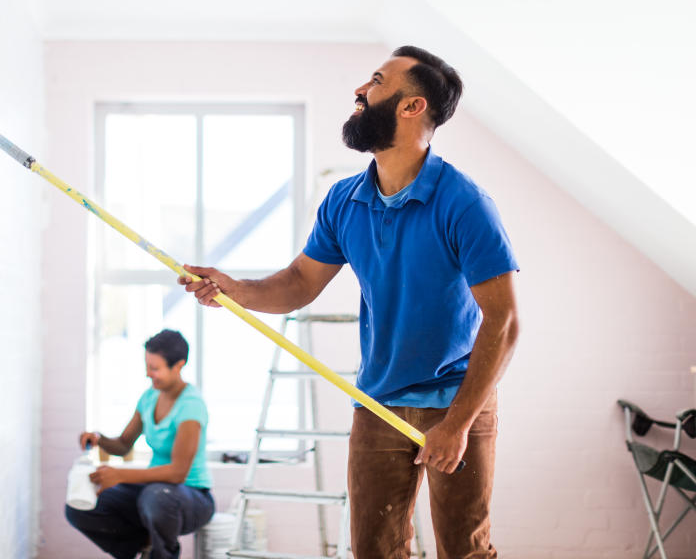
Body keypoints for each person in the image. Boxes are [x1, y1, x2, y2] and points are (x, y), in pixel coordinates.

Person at [179, 46, 520, 559]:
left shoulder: (464, 204)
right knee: (374, 551)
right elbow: (298, 282)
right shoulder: (344, 200)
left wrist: (458, 424)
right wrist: (235, 290)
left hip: (455, 400)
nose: (360, 90)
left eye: (377, 82)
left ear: (411, 107)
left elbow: (505, 321)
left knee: (464, 552)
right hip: (379, 399)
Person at [65, 329, 214, 559]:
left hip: (192, 497)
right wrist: (99, 439)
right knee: (82, 504)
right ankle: (143, 546)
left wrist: (120, 475)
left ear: (178, 366)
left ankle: (162, 554)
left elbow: (177, 474)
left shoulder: (191, 406)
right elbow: (124, 444)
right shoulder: (149, 398)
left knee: (156, 496)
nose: (148, 374)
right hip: (154, 492)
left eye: (155, 368)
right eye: (147, 366)